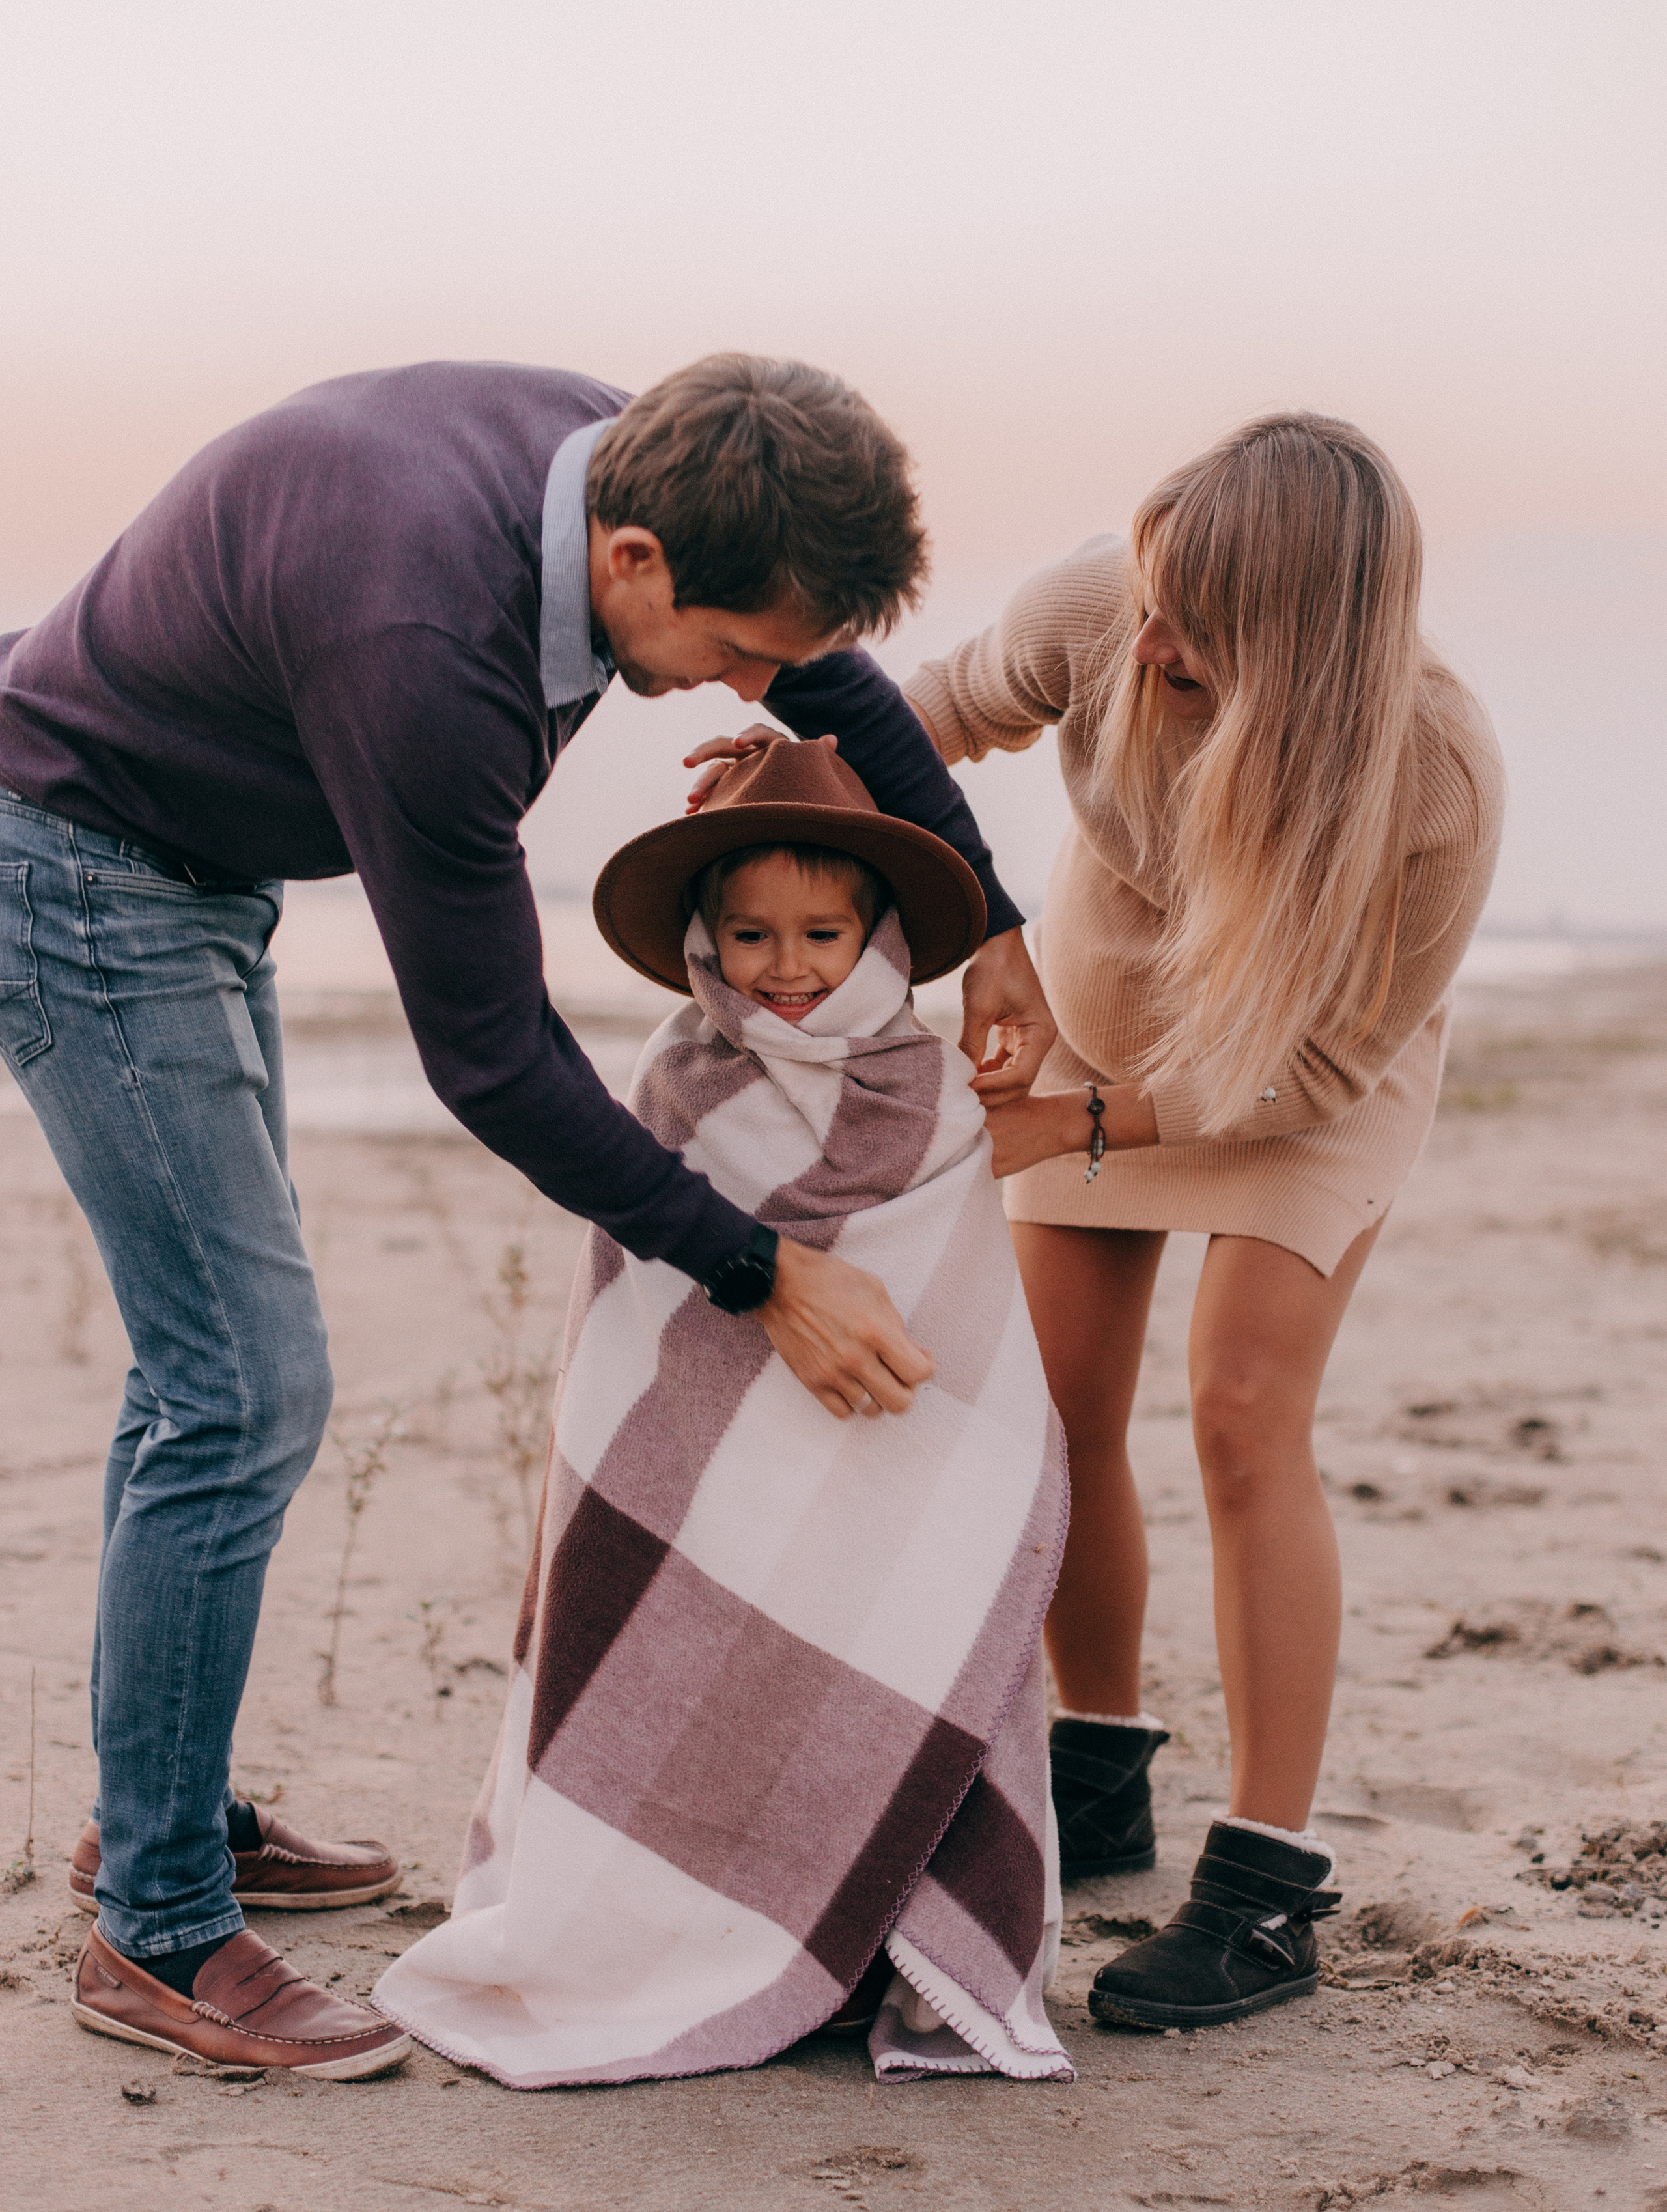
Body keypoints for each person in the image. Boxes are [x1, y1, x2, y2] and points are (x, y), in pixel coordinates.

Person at [0, 354, 1052, 2077]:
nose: (752, 687)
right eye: (732, 650)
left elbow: (832, 668)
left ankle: (154, 1805)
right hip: (80, 863)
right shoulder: (424, 647)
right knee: (244, 1387)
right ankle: (162, 1923)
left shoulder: (646, 455)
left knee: (202, 1377)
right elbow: (491, 1058)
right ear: (634, 562)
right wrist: (759, 1270)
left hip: (185, 845)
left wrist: (990, 915)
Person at [902, 412, 1505, 2030]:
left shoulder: (1434, 770)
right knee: (1059, 1411)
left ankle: (1261, 1889)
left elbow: (1308, 1069)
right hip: (1109, 1019)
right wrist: (795, 780)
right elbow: (935, 715)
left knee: (1242, 1416)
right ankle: (1094, 1775)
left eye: (1199, 627)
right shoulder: (1106, 609)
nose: (1148, 639)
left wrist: (1070, 1124)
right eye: (1155, 591)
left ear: (1308, 648)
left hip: (1306, 1075)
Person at [374, 739, 1072, 2086]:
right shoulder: (677, 1081)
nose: (785, 964)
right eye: (748, 932)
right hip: (700, 1475)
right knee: (689, 1650)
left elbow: (959, 1294)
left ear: (876, 934)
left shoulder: (927, 1093)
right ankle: (678, 1921)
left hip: (878, 1462)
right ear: (704, 937)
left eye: (821, 931)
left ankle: (870, 1939)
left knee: (901, 1621)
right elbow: (636, 1313)